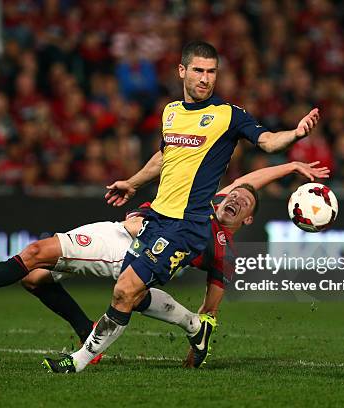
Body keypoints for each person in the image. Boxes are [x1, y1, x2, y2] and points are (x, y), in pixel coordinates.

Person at [43, 40, 320, 373]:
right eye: (199, 71)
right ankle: (194, 326)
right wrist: (132, 182)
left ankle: (77, 362)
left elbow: (267, 140)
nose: (205, 79)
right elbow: (164, 157)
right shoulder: (170, 112)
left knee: (124, 289)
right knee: (134, 293)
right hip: (155, 218)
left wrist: (295, 134)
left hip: (187, 226)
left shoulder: (228, 115)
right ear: (182, 71)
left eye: (212, 72)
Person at [0, 161, 328, 367]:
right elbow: (252, 178)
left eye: (245, 203)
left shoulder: (219, 246)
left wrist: (203, 332)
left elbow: (213, 303)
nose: (237, 198)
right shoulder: (205, 202)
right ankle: (87, 335)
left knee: (34, 254)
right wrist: (292, 166)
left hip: (125, 245)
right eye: (235, 195)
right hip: (126, 239)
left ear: (248, 220)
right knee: (34, 278)